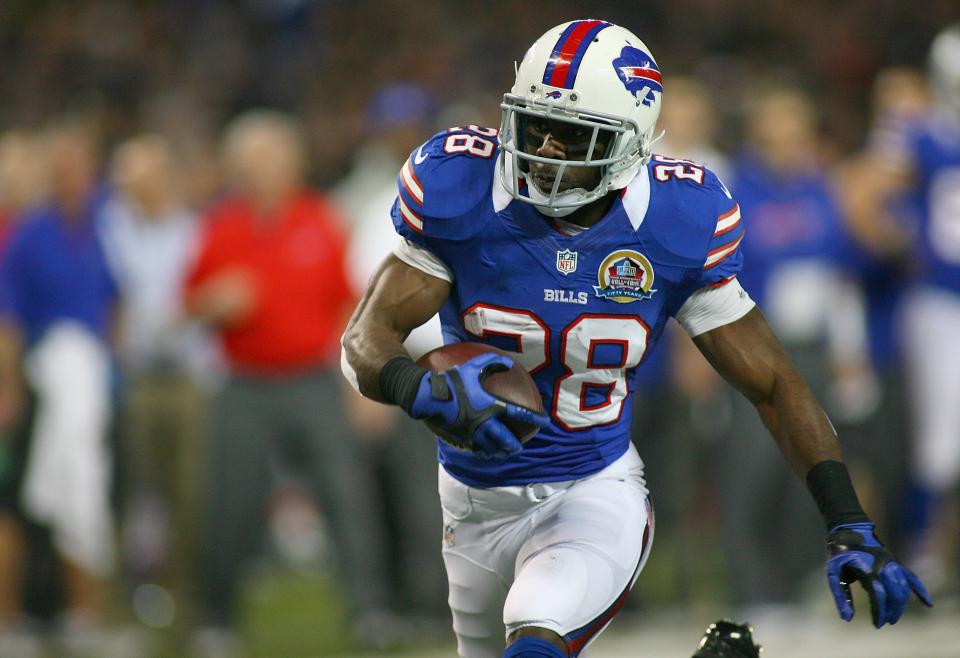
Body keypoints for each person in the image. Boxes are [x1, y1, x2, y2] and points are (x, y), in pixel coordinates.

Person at [341, 19, 932, 658]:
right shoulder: (461, 187)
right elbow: (367, 336)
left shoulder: (677, 220)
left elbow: (772, 383)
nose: (545, 150)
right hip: (468, 499)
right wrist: (413, 387)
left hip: (591, 489)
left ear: (629, 145)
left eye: (570, 134)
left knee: (535, 642)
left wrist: (847, 518)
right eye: (533, 124)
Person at [183, 110, 391, 656]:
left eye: (271, 157)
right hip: (245, 383)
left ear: (293, 161)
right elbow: (186, 306)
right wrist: (212, 302)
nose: (261, 170)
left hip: (310, 380)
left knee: (346, 495)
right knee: (231, 503)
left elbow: (351, 307)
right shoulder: (221, 226)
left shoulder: (320, 220)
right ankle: (217, 618)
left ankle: (369, 610)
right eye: (251, 161)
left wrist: (360, 384)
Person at [847, 24, 960, 592]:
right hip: (940, 302)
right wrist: (904, 244)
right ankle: (926, 550)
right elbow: (862, 196)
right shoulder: (919, 130)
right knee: (938, 440)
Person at [99, 134, 220, 629]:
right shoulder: (109, 229)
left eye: (136, 174)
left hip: (189, 376)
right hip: (132, 376)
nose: (125, 184)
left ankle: (185, 601)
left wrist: (197, 310)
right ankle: (118, 604)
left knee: (188, 494)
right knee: (125, 492)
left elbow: (213, 297)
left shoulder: (197, 231)